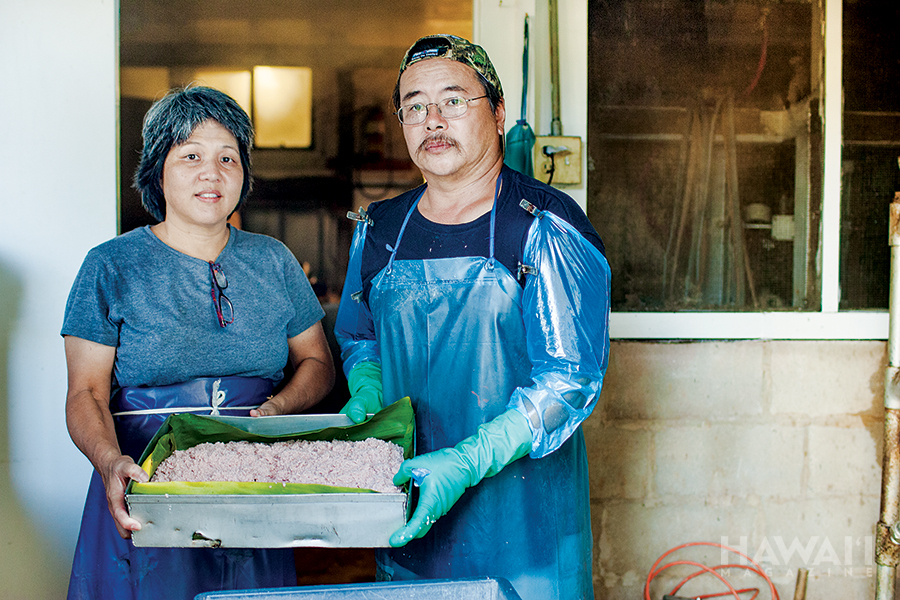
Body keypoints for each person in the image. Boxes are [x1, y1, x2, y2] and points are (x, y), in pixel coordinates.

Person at [334, 35, 611, 600]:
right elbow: (361, 336)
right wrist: (366, 392)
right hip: (410, 512)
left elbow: (569, 379)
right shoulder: (380, 229)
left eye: (453, 100)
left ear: (498, 113)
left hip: (523, 528)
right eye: (415, 106)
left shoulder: (543, 226)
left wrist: (465, 461)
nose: (433, 120)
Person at [62, 86, 335, 600]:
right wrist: (108, 462)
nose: (212, 172)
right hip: (145, 485)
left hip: (254, 485)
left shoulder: (273, 259)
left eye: (227, 158)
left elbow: (318, 362)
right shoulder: (110, 265)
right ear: (157, 171)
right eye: (191, 156)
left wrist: (279, 407)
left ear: (244, 175)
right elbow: (86, 395)